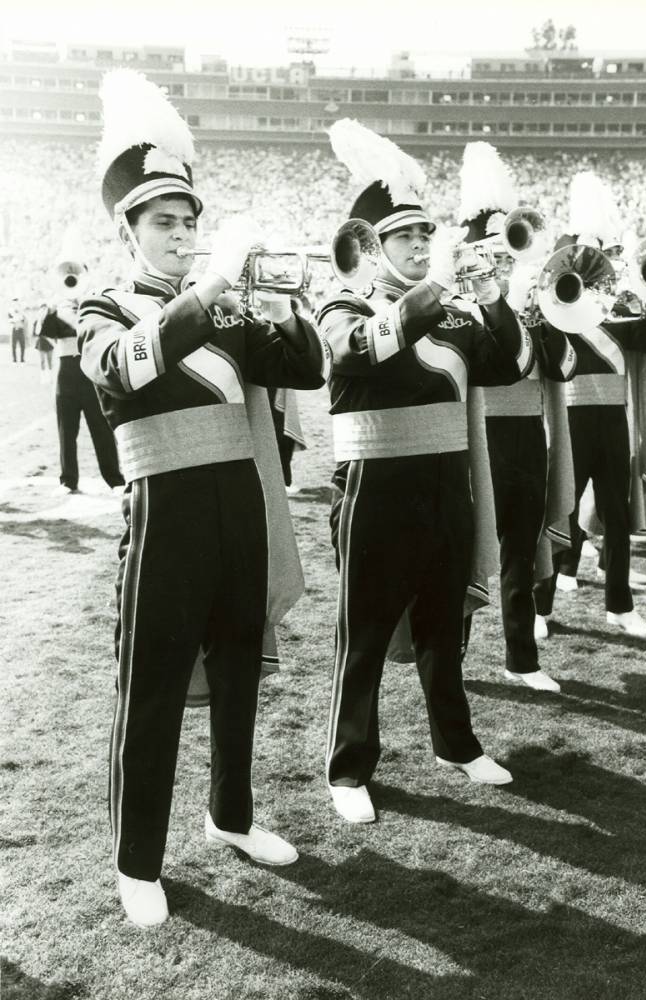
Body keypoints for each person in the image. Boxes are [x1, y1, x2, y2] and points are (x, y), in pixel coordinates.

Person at [78, 69, 327, 928]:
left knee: (237, 681)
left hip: (239, 512)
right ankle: (135, 860)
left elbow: (306, 369)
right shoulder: (101, 306)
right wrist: (213, 287)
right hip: (164, 521)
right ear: (130, 230)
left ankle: (232, 815)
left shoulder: (224, 314)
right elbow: (125, 373)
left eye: (190, 223)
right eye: (165, 224)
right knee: (148, 693)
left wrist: (285, 305)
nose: (182, 235)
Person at [318, 120, 533, 825]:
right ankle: (348, 768)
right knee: (366, 637)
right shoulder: (345, 305)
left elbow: (512, 368)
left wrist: (499, 289)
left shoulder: (454, 312)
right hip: (374, 491)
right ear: (373, 247)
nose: (417, 247)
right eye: (403, 239)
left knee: (445, 629)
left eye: (422, 237)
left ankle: (456, 743)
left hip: (445, 488)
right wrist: (438, 284)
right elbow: (359, 351)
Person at [456, 142, 576, 693]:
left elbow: (563, 370)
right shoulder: (456, 308)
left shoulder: (532, 304)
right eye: (492, 254)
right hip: (473, 437)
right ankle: (448, 655)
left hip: (527, 436)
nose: (504, 264)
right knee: (458, 549)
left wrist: (550, 313)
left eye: (508, 255)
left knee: (520, 553)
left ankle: (521, 659)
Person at [533, 172, 646, 639]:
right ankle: (540, 608)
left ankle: (619, 606)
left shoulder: (620, 311)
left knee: (617, 512)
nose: (593, 276)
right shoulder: (556, 310)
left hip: (612, 422)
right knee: (563, 514)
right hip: (569, 423)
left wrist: (644, 295)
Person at [39, 291, 125, 496]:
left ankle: (114, 480)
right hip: (65, 371)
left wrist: (81, 304)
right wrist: (51, 310)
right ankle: (68, 481)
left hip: (88, 371)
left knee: (101, 428)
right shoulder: (56, 311)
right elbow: (45, 333)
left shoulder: (89, 308)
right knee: (66, 430)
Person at [32, 302, 54, 383]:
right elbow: (36, 333)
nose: (43, 310)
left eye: (45, 309)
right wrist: (39, 322)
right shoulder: (37, 321)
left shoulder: (51, 320)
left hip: (49, 342)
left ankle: (51, 377)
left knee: (50, 361)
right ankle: (43, 378)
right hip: (41, 342)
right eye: (42, 309)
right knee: (42, 361)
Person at [8, 298, 26, 363]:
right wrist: (16, 320)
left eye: (17, 302)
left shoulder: (21, 310)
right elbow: (9, 320)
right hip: (14, 329)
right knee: (13, 345)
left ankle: (22, 359)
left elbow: (23, 319)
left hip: (20, 329)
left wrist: (18, 318)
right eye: (14, 302)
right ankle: (14, 360)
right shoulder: (10, 311)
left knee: (22, 345)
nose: (16, 304)